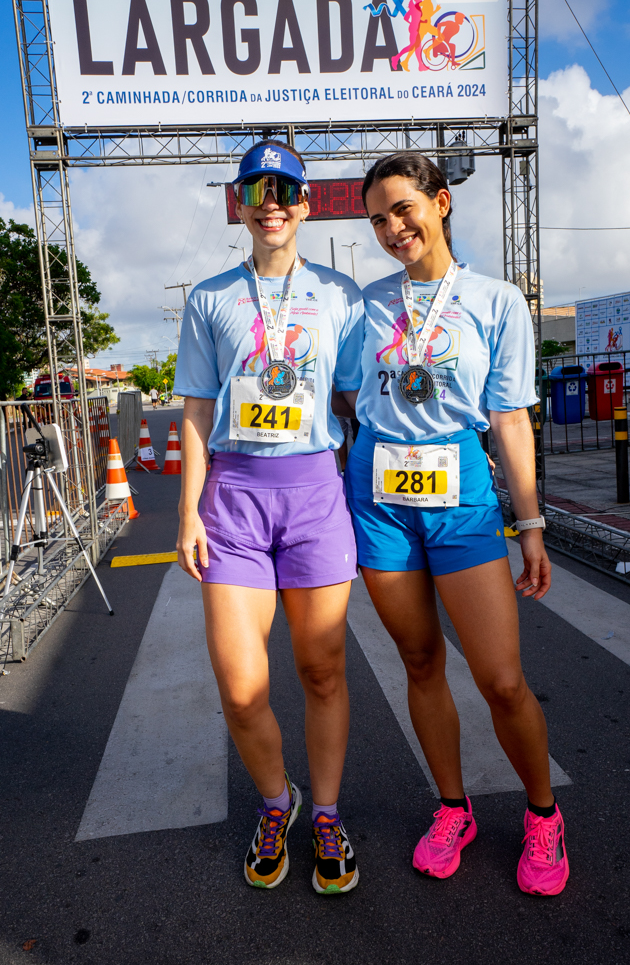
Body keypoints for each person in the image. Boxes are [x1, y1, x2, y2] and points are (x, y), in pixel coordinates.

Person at [342, 152, 569, 897]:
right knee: (419, 664)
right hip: (379, 498)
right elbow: (342, 396)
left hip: (460, 490)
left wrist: (528, 524)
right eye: (377, 217)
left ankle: (542, 815)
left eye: (402, 208)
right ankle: (452, 808)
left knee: (501, 679)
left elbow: (508, 418)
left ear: (440, 202)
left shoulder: (496, 300)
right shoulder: (364, 305)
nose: (390, 227)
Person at [174, 140, 363, 894]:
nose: (272, 201)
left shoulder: (342, 295)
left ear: (307, 203)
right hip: (236, 501)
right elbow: (193, 407)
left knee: (321, 669)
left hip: (316, 492)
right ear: (240, 203)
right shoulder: (210, 297)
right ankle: (274, 802)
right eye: (258, 188)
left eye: (287, 188)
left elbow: (354, 399)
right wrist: (188, 510)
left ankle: (324, 811)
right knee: (239, 684)